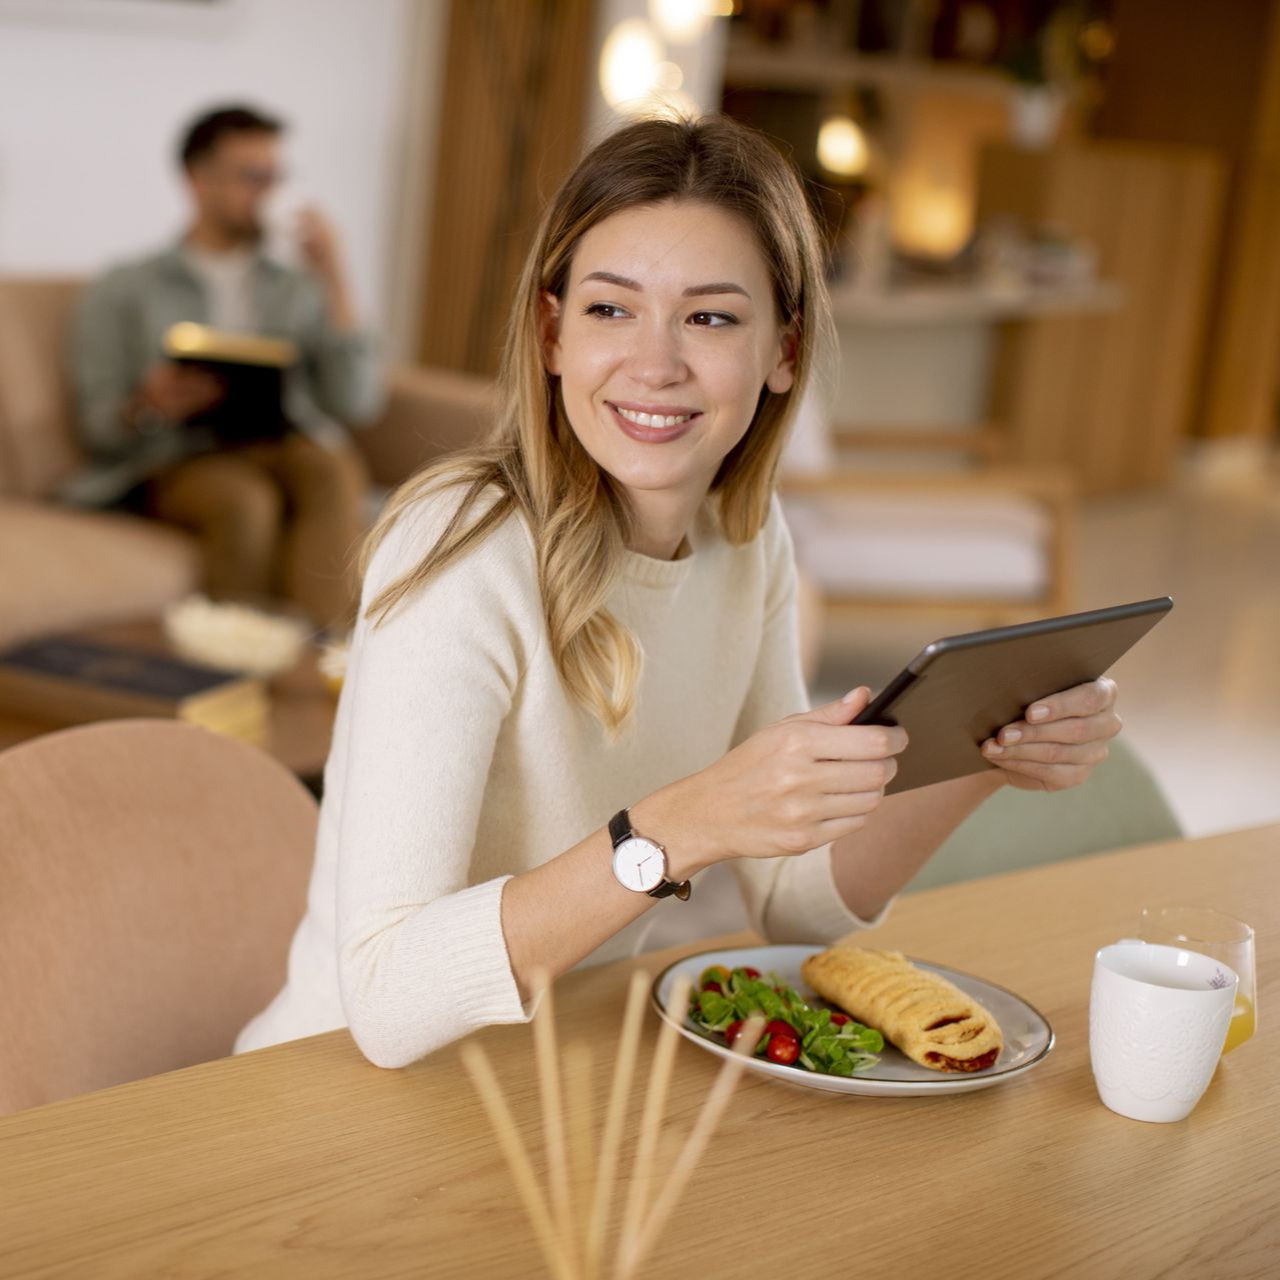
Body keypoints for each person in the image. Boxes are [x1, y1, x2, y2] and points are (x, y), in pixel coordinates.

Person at [235, 115, 1121, 1067]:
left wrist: (987, 749)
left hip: (561, 1078)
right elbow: (388, 998)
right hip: (337, 1093)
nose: (654, 363)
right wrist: (681, 825)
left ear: (784, 351)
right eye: (611, 310)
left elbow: (795, 897)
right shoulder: (464, 551)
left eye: (709, 317)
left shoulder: (747, 540)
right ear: (551, 333)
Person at [65, 104, 383, 632]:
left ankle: (321, 660)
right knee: (245, 501)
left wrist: (334, 274)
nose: (268, 193)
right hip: (177, 456)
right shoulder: (125, 288)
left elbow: (356, 400)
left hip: (279, 444)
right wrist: (148, 406)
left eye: (276, 178)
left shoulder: (297, 286)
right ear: (198, 180)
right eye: (251, 177)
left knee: (330, 466)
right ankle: (239, 664)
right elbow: (96, 425)